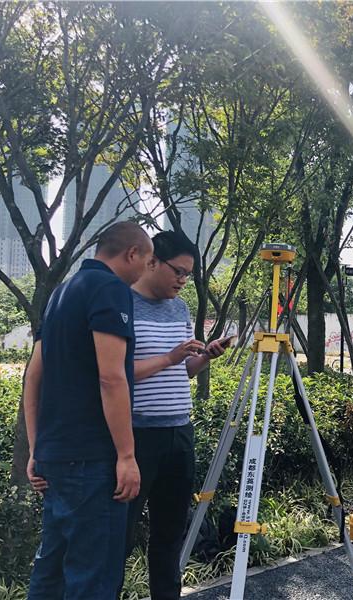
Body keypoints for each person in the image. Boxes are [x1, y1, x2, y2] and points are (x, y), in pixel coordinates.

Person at [25, 221, 152, 599]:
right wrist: (127, 455)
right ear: (132, 254)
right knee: (92, 577)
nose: (144, 272)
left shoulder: (63, 292)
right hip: (93, 460)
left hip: (57, 456)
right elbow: (111, 377)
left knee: (51, 571)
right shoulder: (109, 289)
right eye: (146, 262)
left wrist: (37, 449)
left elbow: (33, 377)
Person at [121, 231, 231, 599]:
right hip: (136, 436)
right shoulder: (122, 304)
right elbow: (115, 373)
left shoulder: (179, 309)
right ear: (151, 261)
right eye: (178, 272)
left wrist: (204, 357)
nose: (183, 281)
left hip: (179, 432)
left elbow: (179, 371)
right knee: (119, 535)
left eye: (188, 275)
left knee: (169, 536)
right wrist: (169, 357)